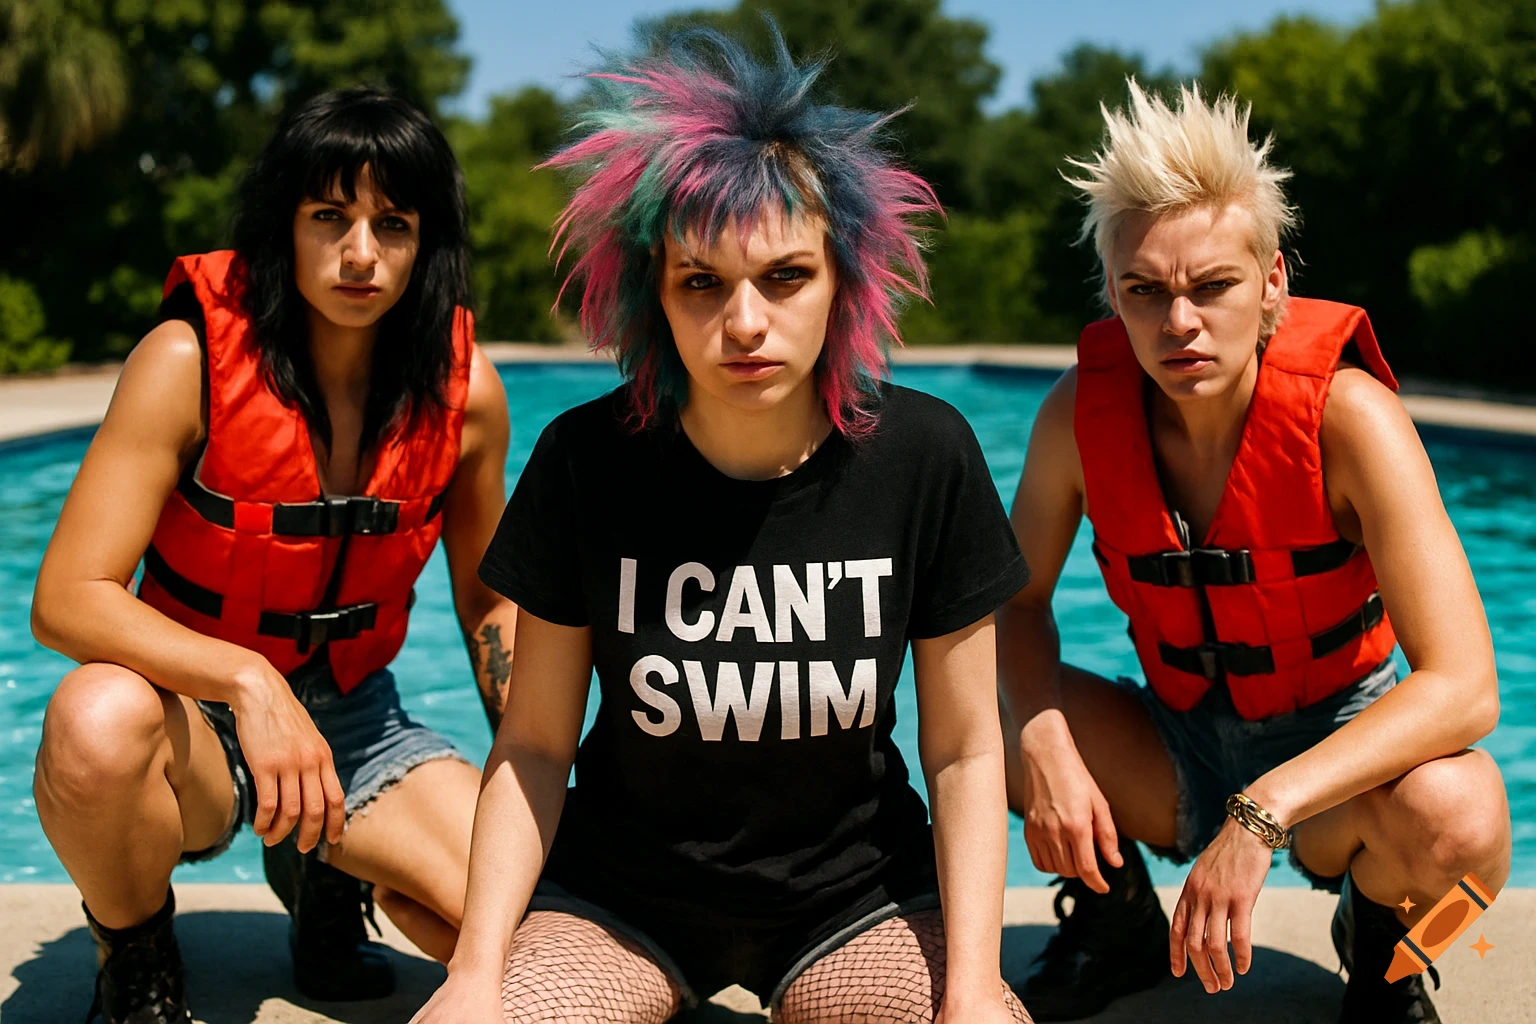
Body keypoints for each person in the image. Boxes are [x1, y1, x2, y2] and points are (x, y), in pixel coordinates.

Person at [410, 28, 1032, 1024]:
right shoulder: (586, 461)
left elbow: (962, 750)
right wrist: (475, 977)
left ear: (843, 282)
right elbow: (532, 747)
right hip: (620, 902)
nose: (744, 323)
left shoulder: (925, 454)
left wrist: (968, 989)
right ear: (657, 298)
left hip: (857, 901)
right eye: (702, 282)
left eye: (785, 277)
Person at [998, 81, 1511, 1024]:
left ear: (1273, 281)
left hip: (1338, 750)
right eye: (1144, 291)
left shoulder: (1351, 420)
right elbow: (1011, 608)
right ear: (1112, 293)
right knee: (988, 717)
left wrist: (1261, 812)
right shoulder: (1078, 418)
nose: (1178, 323)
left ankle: (1385, 955)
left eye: (1212, 286)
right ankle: (1117, 929)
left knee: (1466, 821)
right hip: (1178, 739)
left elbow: (1468, 686)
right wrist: (1046, 756)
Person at [29, 86, 517, 1023]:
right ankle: (136, 949)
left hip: (359, 728)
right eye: (329, 216)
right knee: (93, 718)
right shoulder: (186, 360)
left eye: (395, 223)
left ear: (429, 245)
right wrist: (250, 683)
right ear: (284, 226)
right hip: (195, 711)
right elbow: (66, 598)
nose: (362, 253)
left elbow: (488, 605)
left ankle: (330, 874)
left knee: (524, 926)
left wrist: (536, 771)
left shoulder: (471, 394)